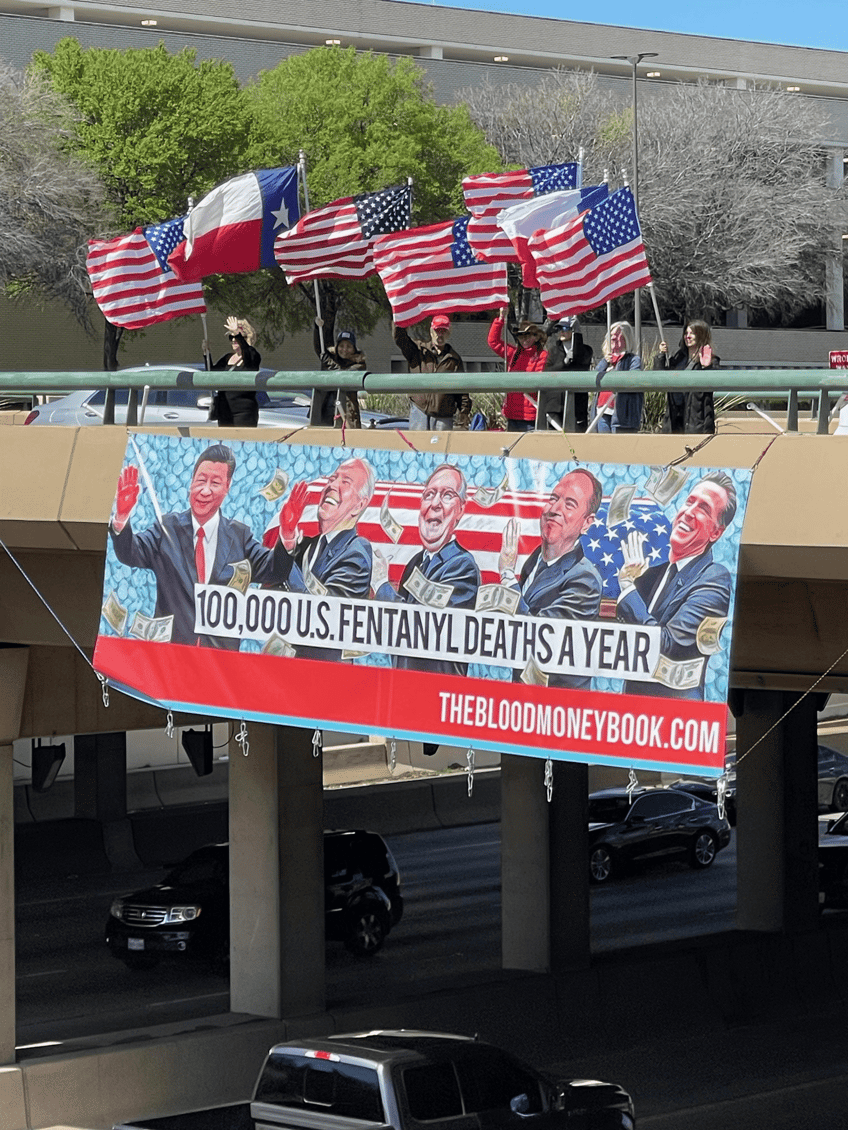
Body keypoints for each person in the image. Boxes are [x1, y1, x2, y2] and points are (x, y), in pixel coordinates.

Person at [110, 443, 287, 649]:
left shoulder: (240, 537)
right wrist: (122, 518)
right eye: (201, 481)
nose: (205, 490)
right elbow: (130, 553)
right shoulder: (167, 529)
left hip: (219, 665)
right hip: (171, 661)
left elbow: (275, 570)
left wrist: (288, 537)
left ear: (227, 487)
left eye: (215, 483)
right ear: (191, 483)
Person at [616, 471, 737, 699]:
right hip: (633, 713)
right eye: (689, 502)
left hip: (674, 718)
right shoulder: (652, 574)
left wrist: (627, 587)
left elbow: (667, 645)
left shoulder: (714, 579)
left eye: (703, 508)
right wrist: (631, 581)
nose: (689, 512)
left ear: (716, 532)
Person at [499, 469, 603, 688]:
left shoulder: (585, 579)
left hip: (557, 706)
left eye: (569, 504)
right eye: (553, 499)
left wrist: (507, 576)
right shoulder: (535, 561)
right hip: (522, 700)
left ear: (587, 523)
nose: (554, 509)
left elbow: (539, 636)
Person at [373, 464, 480, 677]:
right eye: (429, 494)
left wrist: (381, 586)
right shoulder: (414, 563)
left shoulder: (463, 567)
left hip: (436, 694)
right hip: (404, 687)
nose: (435, 504)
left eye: (447, 495)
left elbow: (423, 629)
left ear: (460, 510)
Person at [265, 458, 376, 661]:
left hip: (324, 675)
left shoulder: (356, 552)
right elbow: (270, 590)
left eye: (346, 482)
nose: (333, 485)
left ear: (359, 505)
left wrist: (290, 547)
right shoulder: (308, 547)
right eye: (333, 478)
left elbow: (324, 614)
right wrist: (288, 536)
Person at [393, 314, 469, 430]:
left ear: (449, 333)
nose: (440, 334)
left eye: (443, 331)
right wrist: (400, 318)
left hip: (443, 415)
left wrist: (463, 414)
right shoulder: (418, 351)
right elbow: (400, 338)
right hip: (419, 411)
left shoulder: (454, 359)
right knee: (417, 446)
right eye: (437, 330)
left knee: (440, 447)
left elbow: (462, 389)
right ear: (431, 331)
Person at [653, 320, 720, 434]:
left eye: (692, 333)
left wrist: (705, 367)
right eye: (686, 333)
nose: (687, 336)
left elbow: (713, 384)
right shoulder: (678, 358)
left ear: (701, 335)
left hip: (698, 423)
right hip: (674, 419)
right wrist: (661, 356)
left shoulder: (712, 360)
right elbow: (658, 379)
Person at [488, 309, 547, 431]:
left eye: (528, 335)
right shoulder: (514, 354)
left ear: (536, 337)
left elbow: (539, 382)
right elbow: (493, 342)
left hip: (531, 416)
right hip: (512, 415)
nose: (524, 339)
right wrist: (500, 319)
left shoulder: (543, 355)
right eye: (520, 335)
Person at [538, 316, 594, 431]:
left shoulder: (586, 350)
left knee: (577, 441)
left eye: (565, 328)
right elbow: (547, 373)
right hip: (555, 406)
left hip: (577, 406)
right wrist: (563, 363)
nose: (562, 332)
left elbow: (580, 361)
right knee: (555, 442)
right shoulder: (553, 351)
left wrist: (577, 334)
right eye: (559, 329)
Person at [204, 316, 261, 427]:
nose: (234, 340)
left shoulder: (253, 355)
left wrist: (236, 332)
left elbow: (248, 353)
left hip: (244, 413)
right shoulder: (227, 358)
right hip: (224, 412)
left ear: (246, 337)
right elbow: (211, 374)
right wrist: (206, 353)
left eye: (237, 336)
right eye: (231, 337)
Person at [312, 319, 366, 429]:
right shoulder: (330, 359)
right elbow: (319, 347)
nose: (344, 349)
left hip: (347, 413)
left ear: (354, 349)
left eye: (348, 346)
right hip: (325, 413)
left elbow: (346, 375)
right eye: (341, 346)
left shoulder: (359, 364)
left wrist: (331, 366)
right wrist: (318, 328)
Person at [593, 321, 643, 434]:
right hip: (602, 411)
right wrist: (606, 361)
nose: (613, 338)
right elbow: (594, 377)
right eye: (611, 336)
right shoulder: (605, 361)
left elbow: (633, 380)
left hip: (622, 416)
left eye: (617, 335)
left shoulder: (633, 360)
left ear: (626, 338)